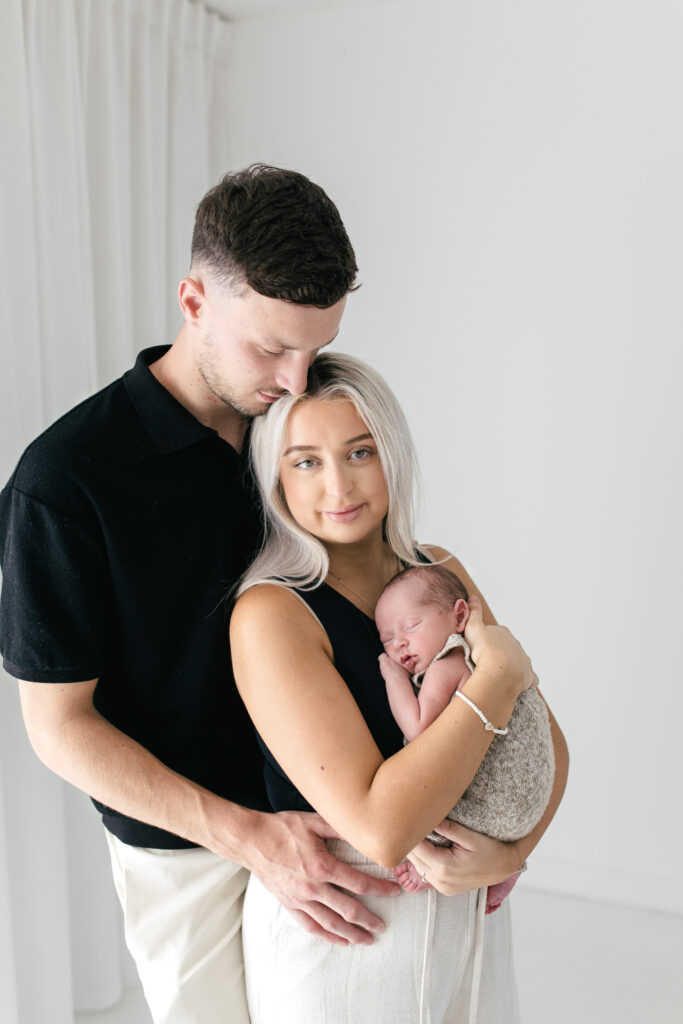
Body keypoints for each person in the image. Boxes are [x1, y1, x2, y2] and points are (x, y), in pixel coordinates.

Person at [0, 165, 404, 1024]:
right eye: (270, 348)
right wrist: (249, 837)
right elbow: (58, 727)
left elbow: (389, 586)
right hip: (188, 855)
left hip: (345, 811)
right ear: (193, 302)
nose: (297, 380)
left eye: (314, 345)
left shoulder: (302, 431)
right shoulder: (63, 484)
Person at [230, 351, 569, 1024]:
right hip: (350, 924)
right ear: (275, 479)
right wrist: (496, 676)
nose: (337, 485)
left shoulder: (436, 568)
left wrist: (510, 856)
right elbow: (382, 831)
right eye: (305, 461)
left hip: (468, 899)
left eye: (360, 451)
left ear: (392, 454)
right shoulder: (271, 614)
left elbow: (546, 746)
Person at [375, 563, 555, 911]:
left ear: (459, 616)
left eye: (411, 626)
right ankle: (508, 867)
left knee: (414, 799)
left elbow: (418, 728)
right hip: (526, 807)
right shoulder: (481, 655)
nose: (398, 643)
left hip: (495, 804)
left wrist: (392, 676)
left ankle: (429, 858)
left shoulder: (450, 661)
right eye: (386, 638)